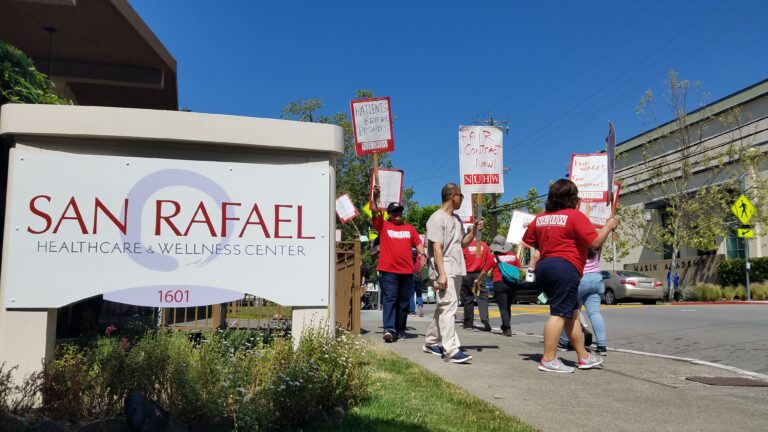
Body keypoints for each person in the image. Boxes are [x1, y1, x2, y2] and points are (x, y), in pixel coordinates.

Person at [522, 179, 618, 373]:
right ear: (572, 198)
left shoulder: (540, 218)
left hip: (545, 267)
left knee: (571, 313)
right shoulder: (575, 216)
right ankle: (548, 358)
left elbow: (528, 240)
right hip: (565, 268)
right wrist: (609, 226)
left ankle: (583, 355)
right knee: (558, 313)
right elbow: (595, 242)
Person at [423, 183, 483, 364]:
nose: (461, 199)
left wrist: (473, 231)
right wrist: (441, 274)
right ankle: (451, 349)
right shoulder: (436, 218)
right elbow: (437, 247)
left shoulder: (457, 219)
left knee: (445, 306)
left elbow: (462, 243)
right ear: (452, 196)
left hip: (457, 267)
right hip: (444, 267)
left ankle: (431, 341)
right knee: (449, 307)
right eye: (461, 196)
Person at [371, 185, 426, 342]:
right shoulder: (383, 226)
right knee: (390, 299)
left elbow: (418, 243)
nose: (398, 214)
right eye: (394, 212)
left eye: (400, 211)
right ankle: (389, 329)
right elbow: (375, 211)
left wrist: (422, 254)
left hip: (406, 272)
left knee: (403, 303)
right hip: (388, 271)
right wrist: (375, 197)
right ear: (389, 214)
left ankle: (400, 330)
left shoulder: (410, 229)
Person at [558, 248, 608, 355]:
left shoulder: (576, 245)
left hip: (580, 278)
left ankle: (564, 343)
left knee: (569, 311)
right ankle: (602, 346)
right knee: (594, 313)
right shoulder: (596, 245)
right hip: (596, 278)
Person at [488, 235, 522, 337]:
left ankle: (507, 329)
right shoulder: (512, 255)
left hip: (499, 282)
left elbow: (485, 270)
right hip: (512, 284)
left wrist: (478, 280)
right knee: (508, 306)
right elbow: (519, 269)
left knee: (503, 307)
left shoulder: (493, 257)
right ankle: (505, 326)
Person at [460, 236, 493, 331]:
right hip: (479, 276)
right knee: (481, 298)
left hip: (467, 275)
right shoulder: (483, 245)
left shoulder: (464, 246)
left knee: (468, 299)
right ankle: (485, 320)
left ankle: (468, 324)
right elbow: (488, 260)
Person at [410, 247, 425, 317]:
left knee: (411, 295)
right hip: (420, 277)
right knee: (419, 295)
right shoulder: (421, 256)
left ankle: (412, 311)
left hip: (412, 276)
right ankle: (420, 306)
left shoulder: (412, 255)